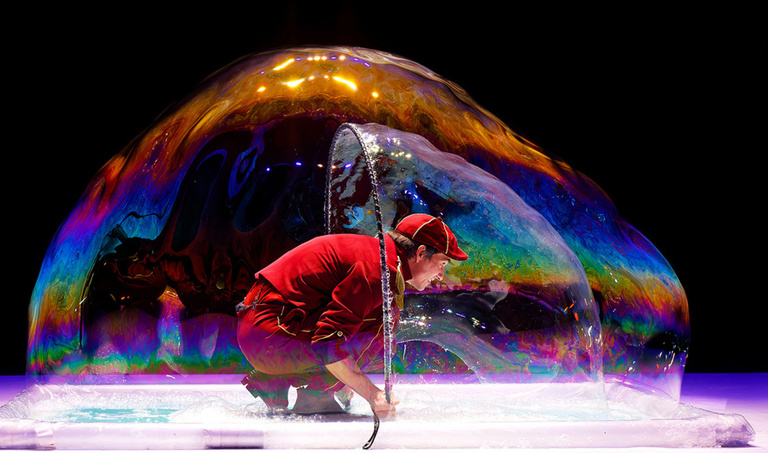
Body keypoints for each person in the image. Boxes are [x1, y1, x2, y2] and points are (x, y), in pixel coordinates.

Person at [236, 214, 468, 418]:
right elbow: (327, 341)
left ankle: (277, 381)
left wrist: (345, 380)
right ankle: (315, 394)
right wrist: (372, 395)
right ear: (420, 253)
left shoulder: (376, 255)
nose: (441, 275)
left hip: (264, 326)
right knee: (384, 325)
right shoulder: (377, 270)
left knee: (382, 320)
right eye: (442, 263)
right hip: (270, 337)